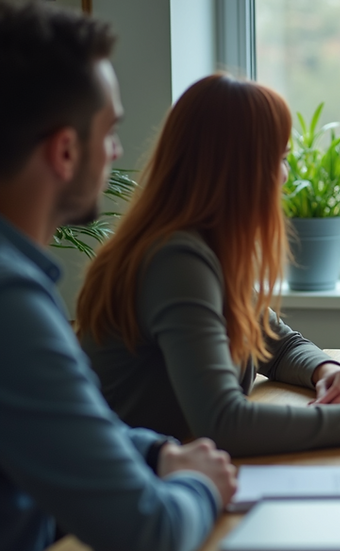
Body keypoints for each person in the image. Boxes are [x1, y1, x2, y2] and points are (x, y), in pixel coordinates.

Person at [75, 74, 340, 458]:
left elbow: (276, 343)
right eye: (280, 158)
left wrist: (327, 372)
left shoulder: (203, 248)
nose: (285, 175)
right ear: (240, 168)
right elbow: (225, 424)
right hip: (130, 490)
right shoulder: (176, 260)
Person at [0, 3, 237, 550]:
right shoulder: (11, 303)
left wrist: (158, 453)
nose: (115, 153)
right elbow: (148, 531)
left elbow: (60, 427)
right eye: (110, 132)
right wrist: (200, 483)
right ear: (64, 151)